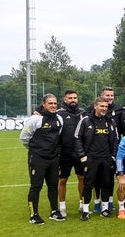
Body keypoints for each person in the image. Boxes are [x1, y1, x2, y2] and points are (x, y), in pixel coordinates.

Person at [20, 94, 65, 224]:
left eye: (55, 103)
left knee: (53, 185)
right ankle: (34, 215)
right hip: (38, 158)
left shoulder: (59, 119)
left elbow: (58, 138)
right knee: (36, 186)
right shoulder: (35, 119)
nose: (53, 106)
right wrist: (35, 150)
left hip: (53, 159)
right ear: (44, 104)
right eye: (50, 103)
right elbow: (24, 137)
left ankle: (54, 212)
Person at [75, 97, 119, 221]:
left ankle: (105, 209)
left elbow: (116, 140)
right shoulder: (85, 121)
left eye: (106, 107)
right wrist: (83, 157)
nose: (104, 109)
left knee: (106, 183)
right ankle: (85, 210)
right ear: (95, 106)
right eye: (102, 106)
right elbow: (77, 138)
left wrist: (113, 156)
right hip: (91, 158)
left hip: (106, 159)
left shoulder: (111, 121)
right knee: (88, 185)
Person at [56, 90, 86, 218]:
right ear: (65, 99)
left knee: (82, 178)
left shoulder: (83, 113)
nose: (73, 100)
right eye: (70, 98)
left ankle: (82, 203)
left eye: (75, 97)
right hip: (64, 153)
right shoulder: (59, 114)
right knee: (62, 179)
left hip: (80, 152)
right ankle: (62, 206)